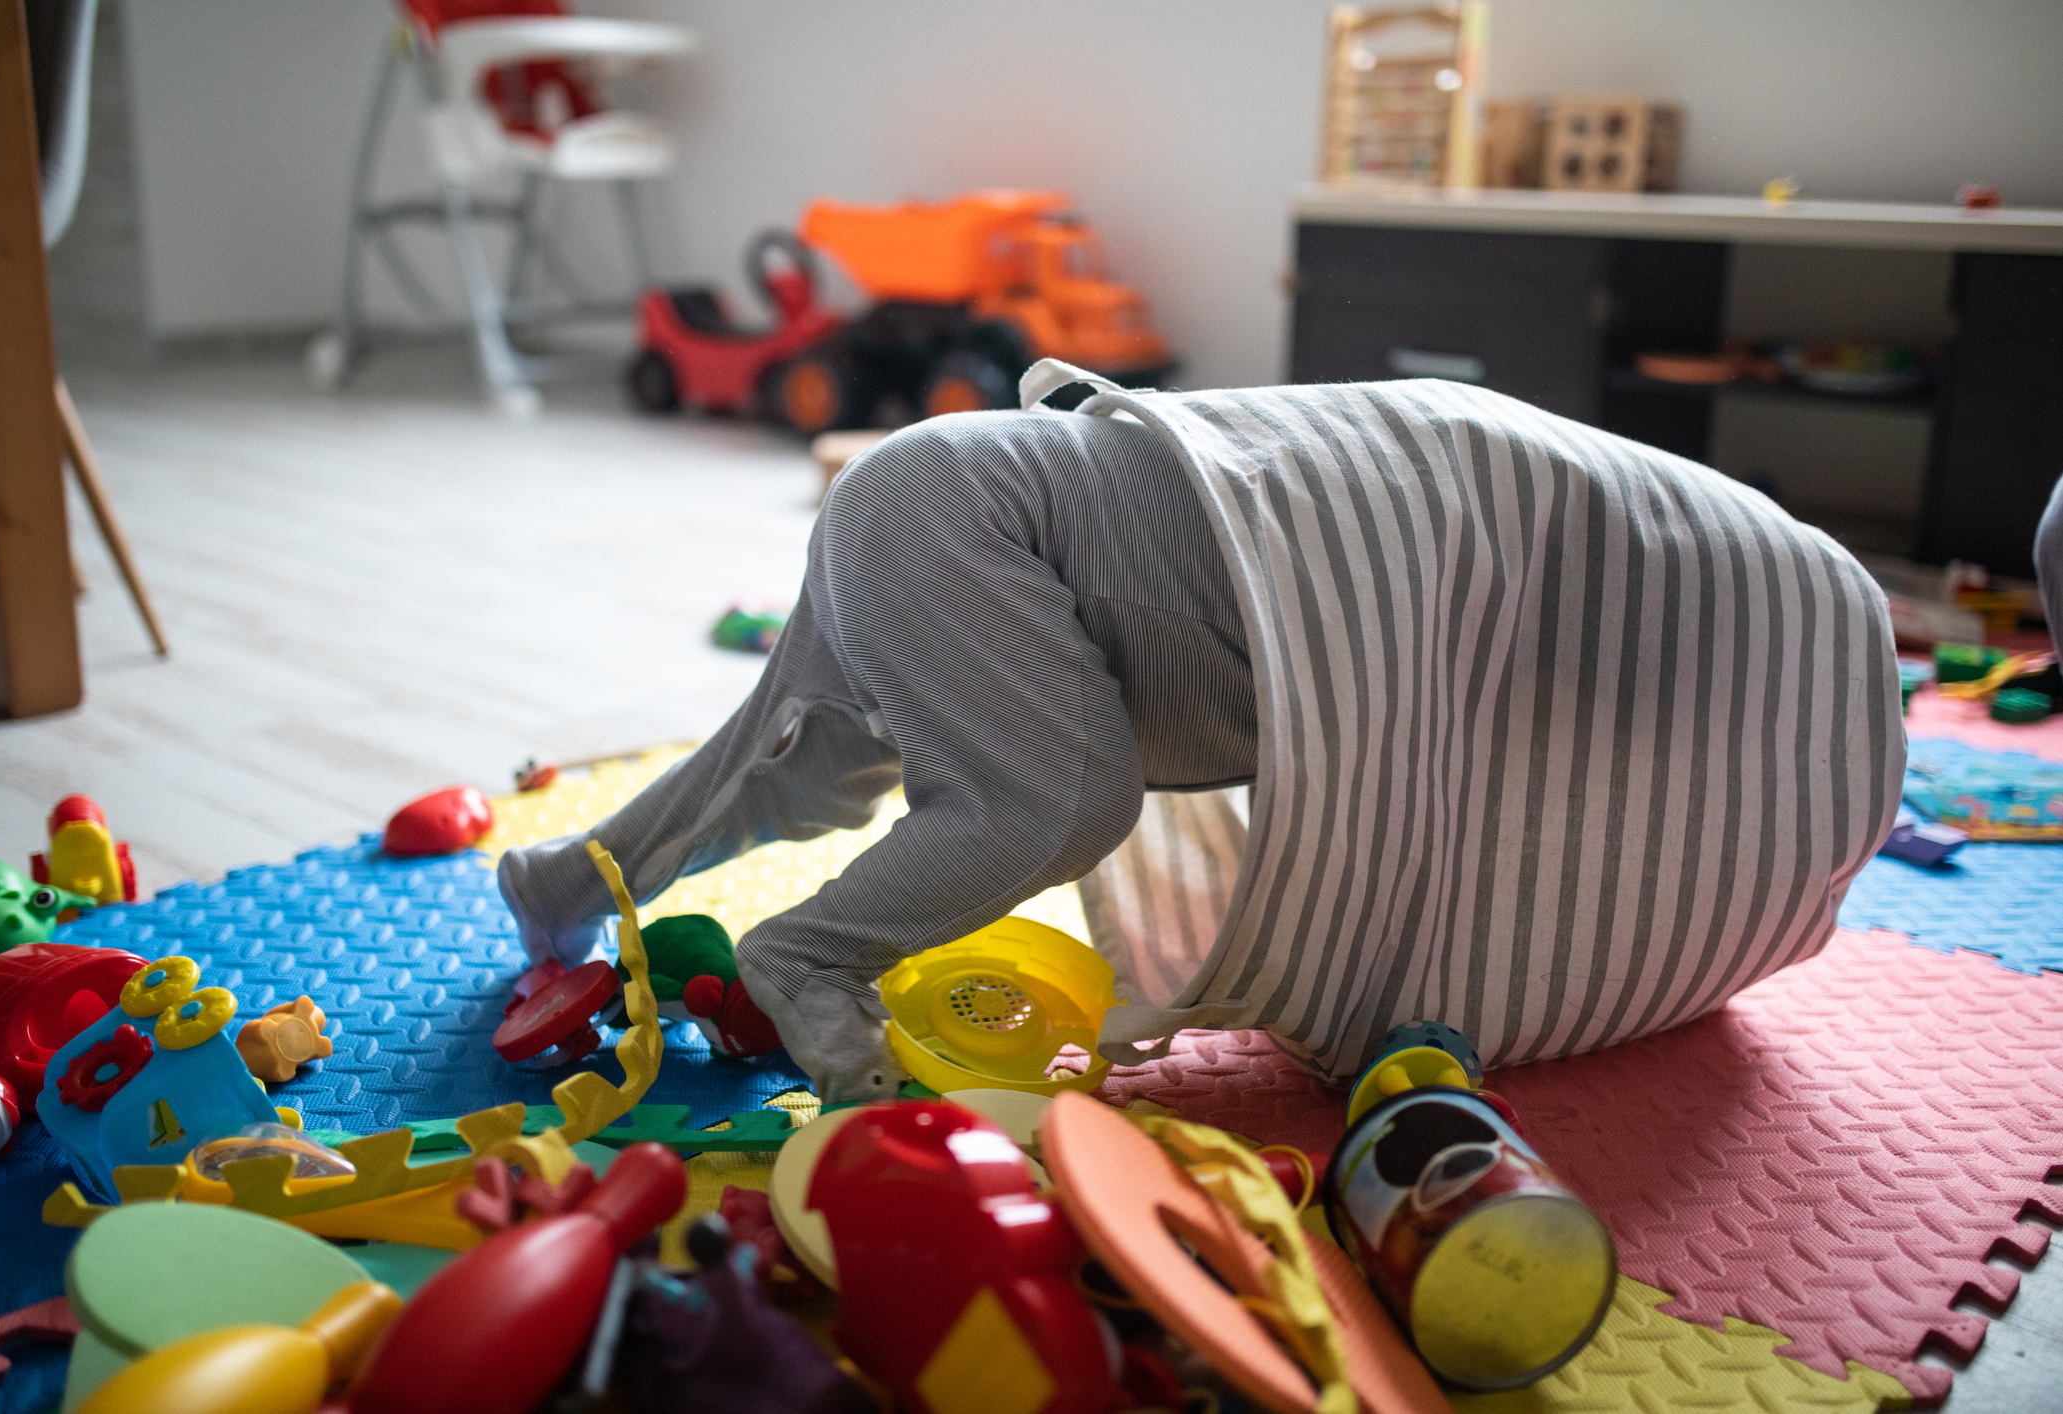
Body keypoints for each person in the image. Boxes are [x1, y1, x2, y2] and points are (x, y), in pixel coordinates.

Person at [500, 363, 1907, 1103]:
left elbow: (1482, 817)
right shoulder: (1499, 547)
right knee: (1054, 801)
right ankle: (807, 959)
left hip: (947, 503)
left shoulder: (1487, 649)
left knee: (794, 767)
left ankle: (562, 882)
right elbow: (1442, 470)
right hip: (967, 510)